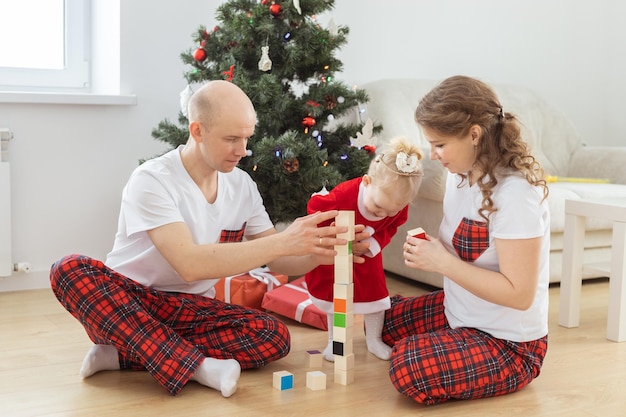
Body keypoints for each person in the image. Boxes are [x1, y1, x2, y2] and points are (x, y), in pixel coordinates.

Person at [49, 80, 368, 398]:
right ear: (197, 131)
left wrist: (321, 249)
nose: (242, 150)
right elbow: (189, 265)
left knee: (272, 335)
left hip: (189, 310)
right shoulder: (152, 179)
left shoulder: (242, 186)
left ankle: (124, 354)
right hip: (128, 305)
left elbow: (278, 259)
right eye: (231, 139)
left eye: (246, 138)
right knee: (69, 269)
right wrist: (285, 240)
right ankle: (200, 367)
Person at [383, 75, 550, 405]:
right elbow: (464, 249)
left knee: (407, 366)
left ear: (474, 135)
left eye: (440, 144)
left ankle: (450, 349)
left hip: (508, 343)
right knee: (382, 319)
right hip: (458, 312)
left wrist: (442, 262)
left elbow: (519, 295)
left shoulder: (515, 194)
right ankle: (446, 341)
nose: (432, 155)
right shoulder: (458, 176)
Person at [305, 137, 424, 362]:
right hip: (337, 257)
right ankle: (336, 341)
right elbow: (316, 210)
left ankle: (373, 340)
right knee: (337, 299)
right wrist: (330, 234)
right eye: (378, 207)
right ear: (367, 182)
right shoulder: (343, 196)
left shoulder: (395, 207)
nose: (383, 214)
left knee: (375, 297)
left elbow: (393, 226)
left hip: (366, 258)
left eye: (393, 210)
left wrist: (372, 245)